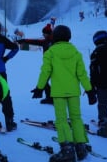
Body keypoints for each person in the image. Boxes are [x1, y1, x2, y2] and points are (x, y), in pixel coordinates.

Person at [31, 25, 96, 162]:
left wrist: (39, 87)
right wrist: (89, 91)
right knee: (76, 118)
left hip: (59, 92)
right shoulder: (75, 52)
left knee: (61, 120)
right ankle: (81, 147)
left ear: (55, 37)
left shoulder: (51, 52)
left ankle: (67, 150)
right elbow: (82, 74)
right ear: (69, 36)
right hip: (73, 92)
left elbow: (45, 72)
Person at [18, 23, 54, 104]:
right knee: (45, 81)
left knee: (46, 81)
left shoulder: (53, 42)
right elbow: (35, 41)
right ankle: (50, 97)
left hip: (53, 66)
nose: (43, 35)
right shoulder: (46, 41)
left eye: (44, 33)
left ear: (48, 33)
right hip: (48, 66)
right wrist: (24, 41)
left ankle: (52, 98)